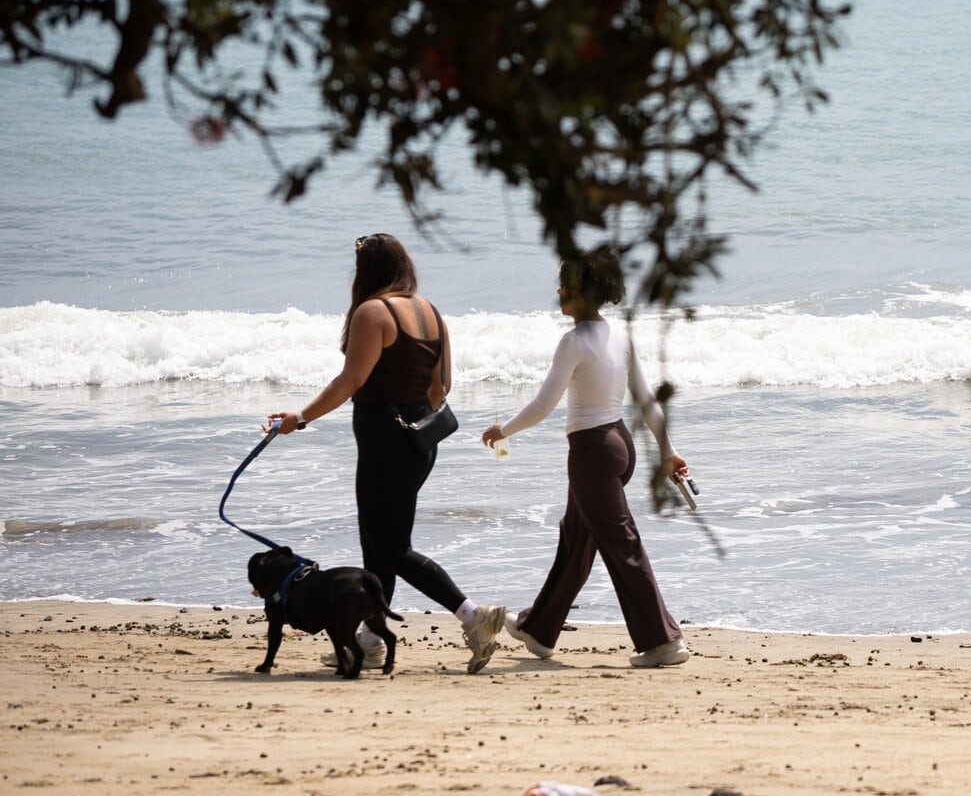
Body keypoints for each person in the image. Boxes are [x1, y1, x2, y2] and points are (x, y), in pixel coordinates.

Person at [267, 234, 507, 673]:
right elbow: (441, 388)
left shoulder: (372, 312)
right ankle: (373, 639)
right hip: (420, 442)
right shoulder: (431, 312)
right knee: (377, 545)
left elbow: (350, 381)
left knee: (390, 547)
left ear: (366, 272)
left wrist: (300, 418)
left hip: (384, 442)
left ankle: (474, 616)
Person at [482, 247, 693, 669]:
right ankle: (538, 630)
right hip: (618, 446)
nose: (558, 290)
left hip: (592, 454)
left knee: (622, 545)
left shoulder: (574, 341)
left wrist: (501, 432)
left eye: (565, 284)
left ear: (579, 292)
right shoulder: (620, 337)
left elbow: (543, 406)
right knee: (576, 540)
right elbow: (648, 401)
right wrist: (667, 453)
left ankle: (662, 641)